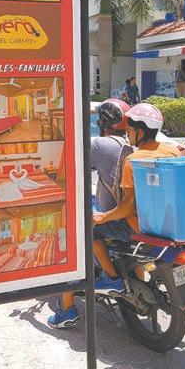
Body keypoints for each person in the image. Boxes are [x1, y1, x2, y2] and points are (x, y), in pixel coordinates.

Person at [47, 103, 180, 328]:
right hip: (165, 222)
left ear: (140, 131)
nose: (128, 133)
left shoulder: (132, 159)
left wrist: (103, 217)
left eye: (131, 129)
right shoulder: (171, 151)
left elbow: (127, 207)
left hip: (137, 224)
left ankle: (101, 285)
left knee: (83, 231)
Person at [47, 98, 131, 328]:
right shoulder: (132, 143)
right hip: (136, 216)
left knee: (74, 241)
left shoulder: (101, 144)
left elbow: (71, 168)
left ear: (104, 121)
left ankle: (66, 311)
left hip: (116, 216)